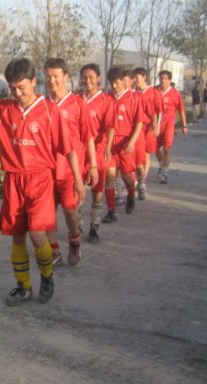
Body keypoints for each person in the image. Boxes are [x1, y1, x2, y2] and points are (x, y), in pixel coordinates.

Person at [0, 55, 84, 306]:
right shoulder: (5, 110)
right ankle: (23, 286)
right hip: (14, 181)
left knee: (38, 235)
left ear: (33, 81)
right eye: (13, 88)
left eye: (22, 87)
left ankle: (47, 277)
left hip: (40, 180)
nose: (17, 93)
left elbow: (69, 148)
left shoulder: (50, 112)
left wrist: (78, 179)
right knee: (17, 236)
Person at [43, 58, 97, 266]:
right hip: (46, 170)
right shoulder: (42, 105)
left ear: (65, 77)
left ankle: (74, 239)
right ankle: (54, 249)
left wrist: (92, 166)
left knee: (69, 210)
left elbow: (88, 137)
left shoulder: (77, 104)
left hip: (69, 171)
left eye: (56, 76)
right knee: (46, 213)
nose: (52, 81)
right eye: (48, 76)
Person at [102, 66, 144, 223]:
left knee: (127, 176)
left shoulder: (134, 98)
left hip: (125, 142)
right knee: (109, 175)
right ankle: (111, 211)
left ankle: (131, 194)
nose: (114, 86)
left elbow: (139, 122)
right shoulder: (107, 98)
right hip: (109, 143)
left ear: (124, 81)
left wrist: (132, 142)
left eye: (117, 82)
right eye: (112, 83)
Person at [79, 63, 113, 243]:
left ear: (98, 78)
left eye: (91, 77)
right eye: (84, 77)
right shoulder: (77, 99)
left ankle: (94, 225)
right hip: (79, 152)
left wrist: (108, 148)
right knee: (77, 188)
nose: (87, 81)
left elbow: (110, 127)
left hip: (98, 152)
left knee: (97, 190)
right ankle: (77, 223)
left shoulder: (106, 101)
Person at [132, 67, 163, 200]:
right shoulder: (133, 92)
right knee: (135, 157)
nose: (135, 80)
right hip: (137, 128)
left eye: (137, 77)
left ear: (144, 77)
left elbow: (159, 110)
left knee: (145, 156)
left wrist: (157, 126)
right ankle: (138, 181)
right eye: (133, 77)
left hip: (149, 128)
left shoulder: (153, 92)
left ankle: (141, 182)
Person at [156, 70, 187, 184]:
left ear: (169, 80)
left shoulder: (175, 93)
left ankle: (165, 172)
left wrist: (184, 125)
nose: (163, 81)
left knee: (167, 148)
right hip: (157, 124)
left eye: (165, 79)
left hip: (169, 124)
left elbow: (181, 110)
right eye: (161, 78)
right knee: (157, 149)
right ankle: (161, 165)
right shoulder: (155, 91)